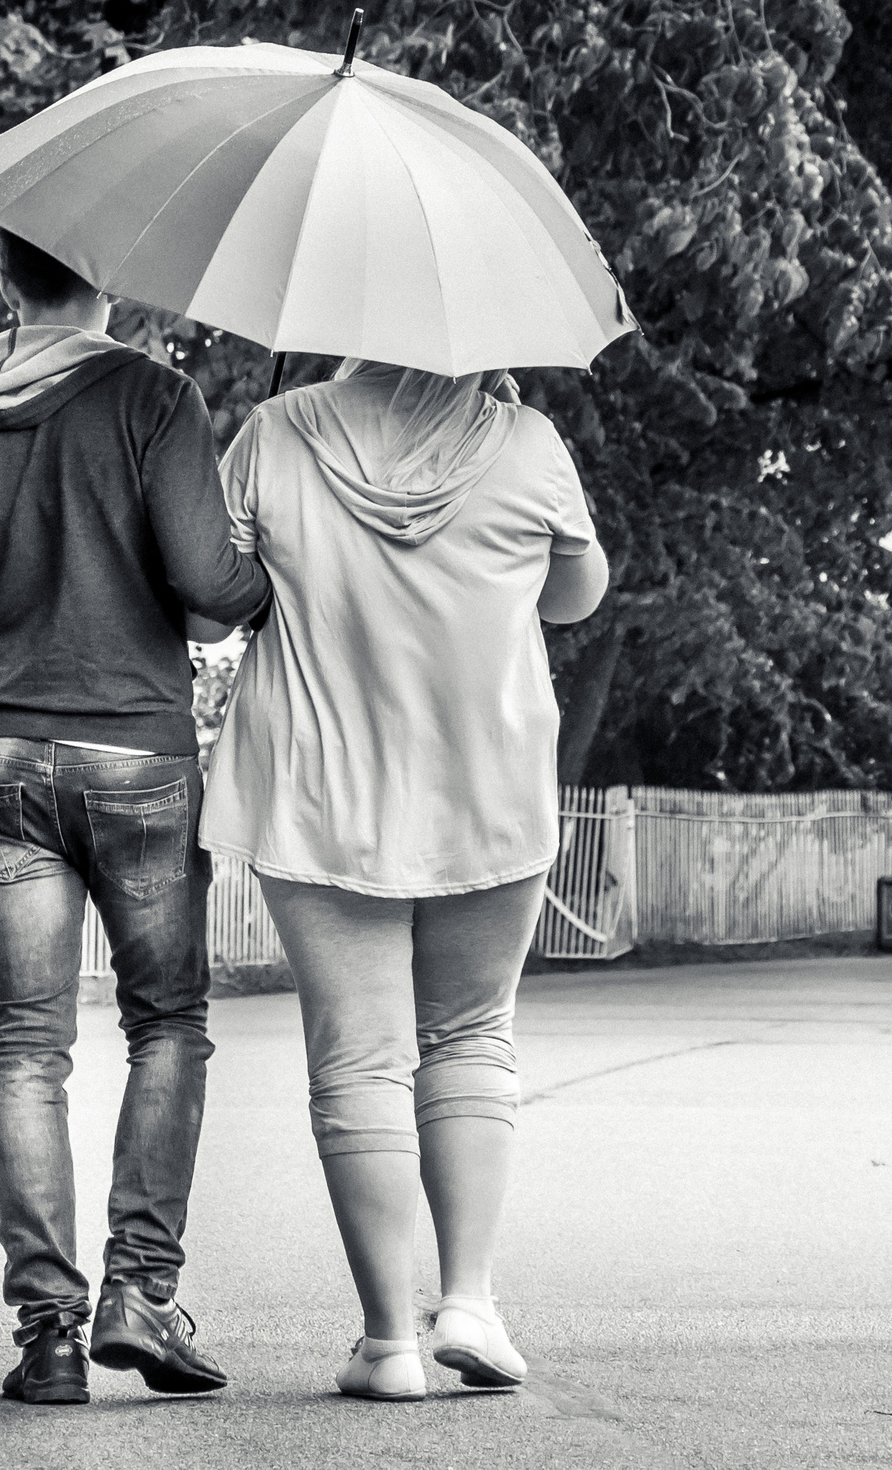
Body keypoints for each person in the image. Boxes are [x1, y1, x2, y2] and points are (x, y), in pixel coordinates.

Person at [0, 227, 270, 1404]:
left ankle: (47, 1333)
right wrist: (254, 576)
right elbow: (211, 595)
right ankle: (140, 1296)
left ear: (2, 275)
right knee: (165, 1024)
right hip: (135, 759)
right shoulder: (153, 400)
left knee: (24, 1043)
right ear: (107, 277)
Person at [202, 359, 608, 1402]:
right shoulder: (525, 443)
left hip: (320, 788)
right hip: (485, 782)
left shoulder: (276, 432)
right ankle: (467, 1298)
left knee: (360, 1065)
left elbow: (211, 606)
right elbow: (575, 598)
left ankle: (389, 1345)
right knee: (471, 1036)